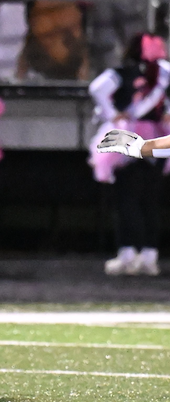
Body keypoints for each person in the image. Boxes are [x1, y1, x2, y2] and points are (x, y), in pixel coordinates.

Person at [91, 33, 170, 277]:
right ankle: (149, 256)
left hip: (129, 135)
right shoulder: (164, 73)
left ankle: (128, 253)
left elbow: (96, 88)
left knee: (127, 197)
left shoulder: (123, 73)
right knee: (150, 199)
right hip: (159, 135)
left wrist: (112, 114)